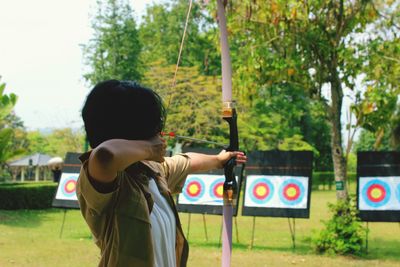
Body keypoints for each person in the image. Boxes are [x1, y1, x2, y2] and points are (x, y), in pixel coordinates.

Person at [77, 80, 246, 267]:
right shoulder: (102, 178)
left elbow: (185, 162)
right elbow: (104, 155)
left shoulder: (150, 171)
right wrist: (150, 149)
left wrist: (219, 160)